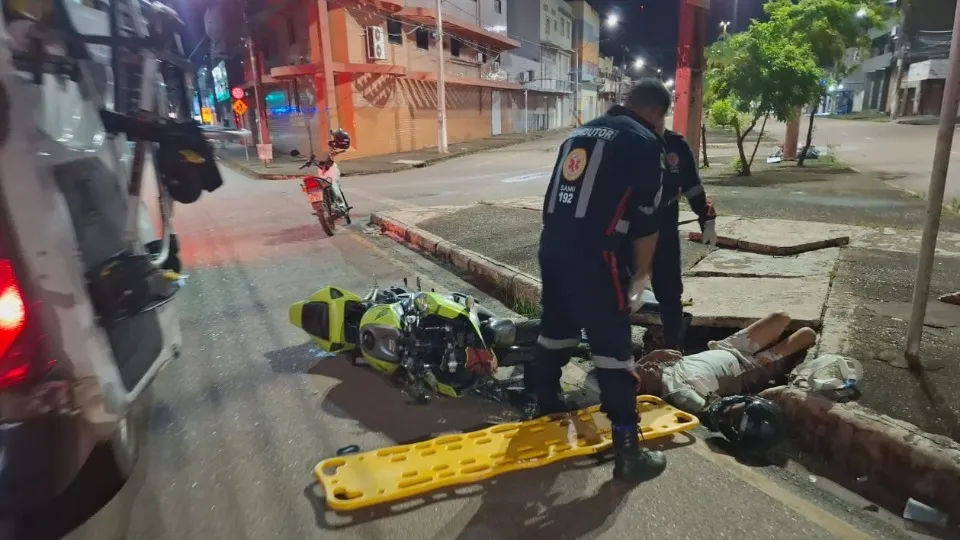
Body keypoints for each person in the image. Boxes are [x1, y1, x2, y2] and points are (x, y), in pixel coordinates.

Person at [529, 79, 672, 484]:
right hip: (598, 256)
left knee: (556, 328)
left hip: (552, 246)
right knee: (613, 347)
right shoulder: (644, 142)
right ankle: (628, 449)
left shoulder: (579, 132)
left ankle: (544, 399)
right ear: (656, 113)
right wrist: (641, 276)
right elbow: (647, 222)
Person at [635, 312, 818, 414]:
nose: (646, 365)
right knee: (807, 334)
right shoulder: (679, 393)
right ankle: (779, 356)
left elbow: (633, 371)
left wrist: (653, 355)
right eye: (645, 371)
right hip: (750, 367)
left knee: (781, 317)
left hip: (725, 347)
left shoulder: (660, 370)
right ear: (646, 391)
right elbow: (713, 410)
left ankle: (772, 346)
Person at [650, 127, 719, 350]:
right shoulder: (628, 138)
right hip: (627, 230)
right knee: (619, 288)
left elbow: (693, 186)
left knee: (669, 291)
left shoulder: (676, 144)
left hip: (665, 228)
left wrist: (706, 220)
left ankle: (672, 348)